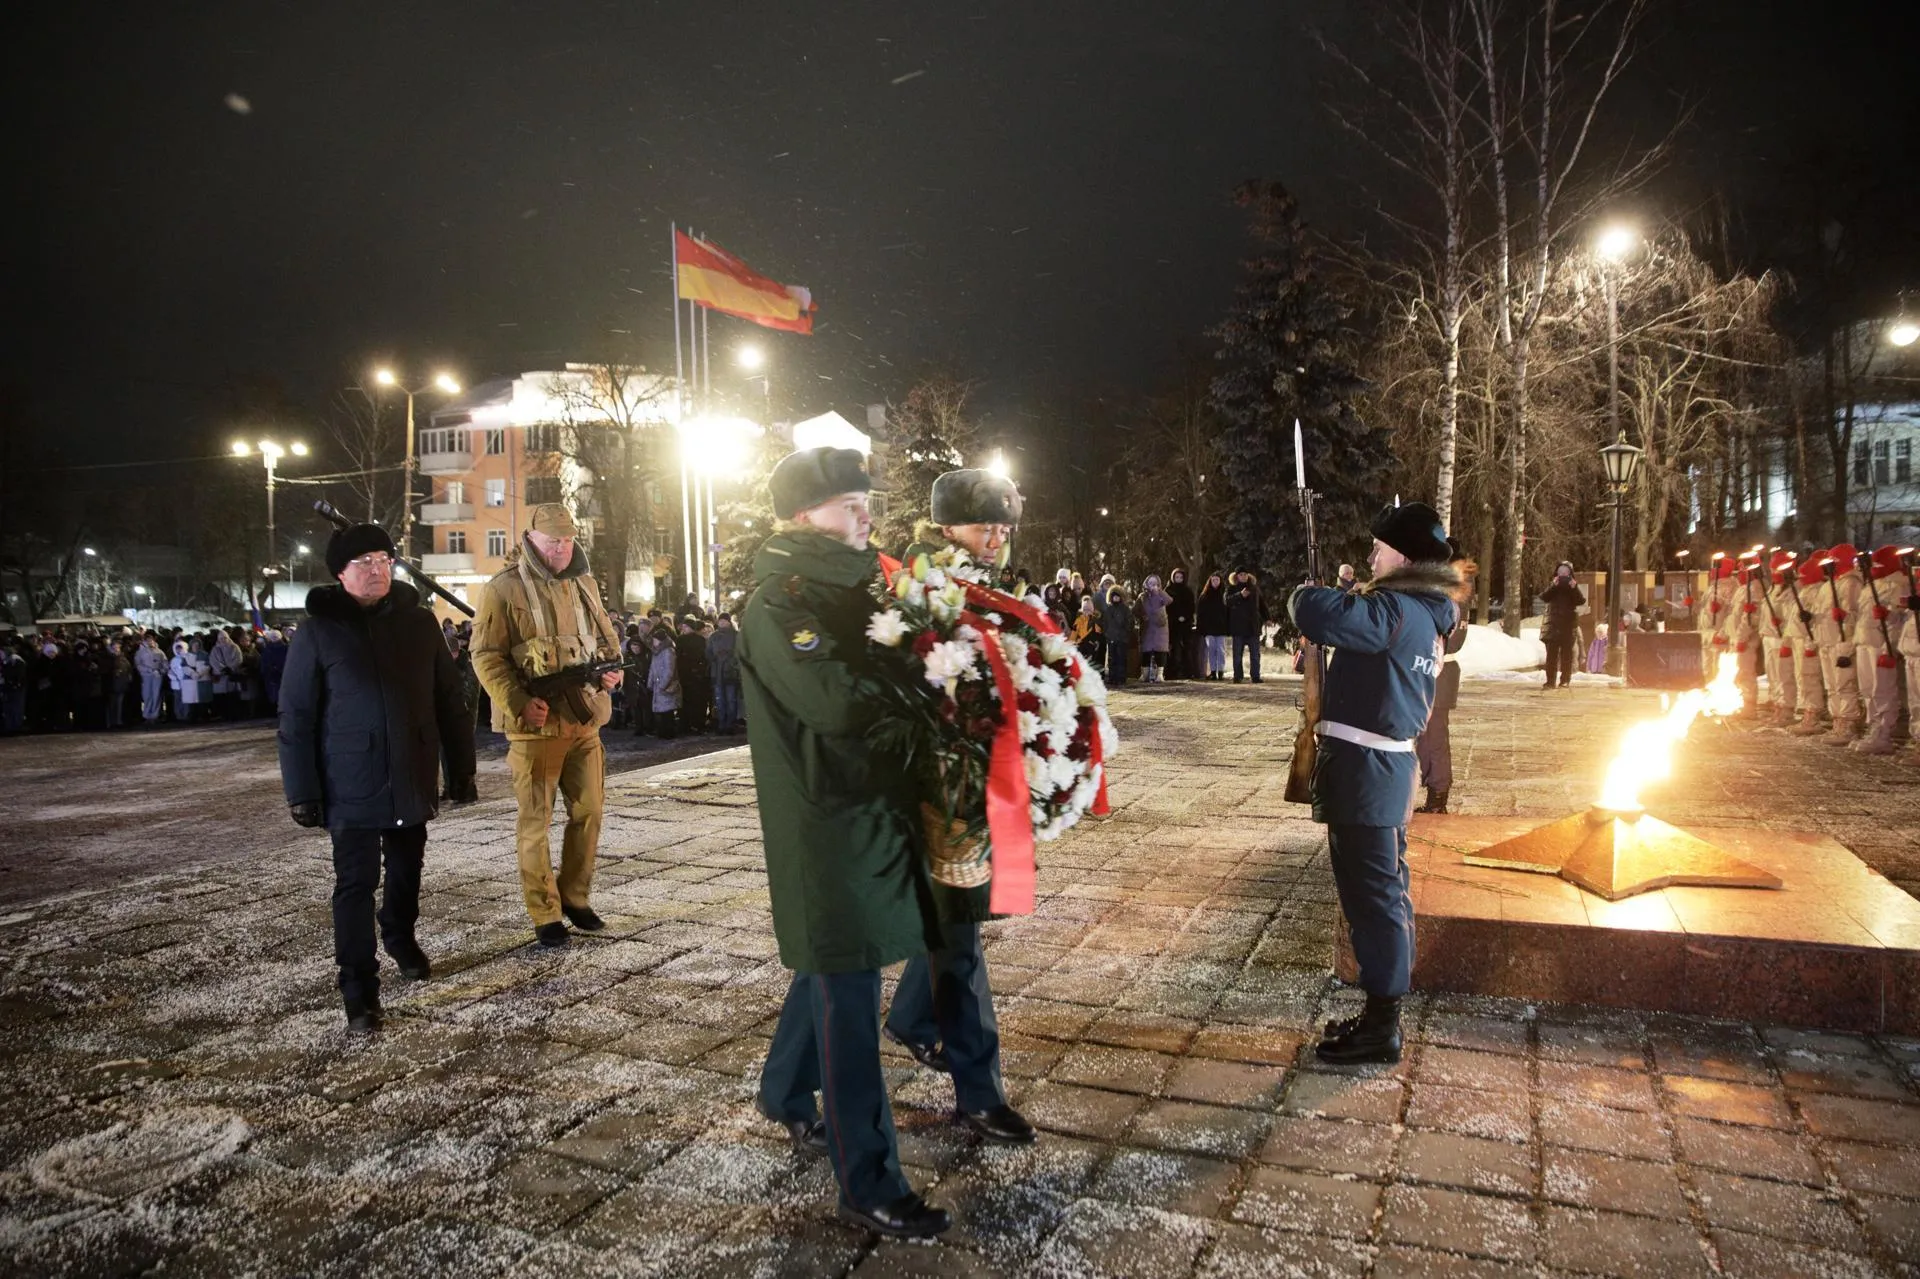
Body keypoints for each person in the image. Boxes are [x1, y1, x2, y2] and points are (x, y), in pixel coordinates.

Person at [741, 446, 950, 1239]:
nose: (866, 512)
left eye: (866, 500)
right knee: (849, 990)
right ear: (802, 516)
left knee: (837, 968)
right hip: (822, 819)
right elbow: (829, 698)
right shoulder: (779, 601)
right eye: (848, 503)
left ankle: (786, 1091)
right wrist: (926, 677)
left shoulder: (863, 585)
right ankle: (867, 1178)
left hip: (870, 806)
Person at [882, 467, 1035, 1150]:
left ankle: (913, 1021)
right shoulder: (922, 587)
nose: (998, 534)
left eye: (1004, 523)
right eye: (984, 524)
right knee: (960, 940)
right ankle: (981, 1092)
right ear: (947, 525)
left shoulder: (981, 581)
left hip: (974, 785)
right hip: (935, 792)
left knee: (950, 928)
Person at [277, 523, 477, 1031]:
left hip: (410, 771)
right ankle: (359, 988)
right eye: (363, 561)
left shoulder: (419, 624)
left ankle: (400, 936)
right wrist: (302, 791)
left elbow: (450, 702)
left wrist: (461, 771)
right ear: (340, 573)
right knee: (355, 884)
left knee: (408, 871)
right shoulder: (319, 631)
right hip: (349, 781)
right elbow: (296, 715)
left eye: (383, 559)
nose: (375, 569)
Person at [1290, 501, 1466, 1064]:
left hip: (1369, 776)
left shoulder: (1396, 609)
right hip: (1377, 774)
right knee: (1380, 894)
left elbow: (1315, 612)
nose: (1371, 555)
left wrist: (1305, 592)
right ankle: (1378, 1015)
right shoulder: (1422, 612)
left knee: (1376, 900)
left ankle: (1383, 1025)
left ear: (1406, 556)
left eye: (1380, 547)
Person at [471, 503, 625, 949]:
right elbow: (485, 655)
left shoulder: (584, 583)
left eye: (568, 539)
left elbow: (606, 641)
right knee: (535, 822)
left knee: (590, 813)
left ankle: (574, 897)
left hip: (584, 721)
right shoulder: (502, 588)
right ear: (532, 541)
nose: (561, 548)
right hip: (535, 728)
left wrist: (613, 672)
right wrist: (519, 701)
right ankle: (545, 912)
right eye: (553, 540)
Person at [1416, 541, 1472, 815]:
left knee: (1434, 737)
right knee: (1426, 736)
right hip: (1438, 671)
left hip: (1439, 671)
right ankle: (1433, 790)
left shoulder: (1450, 595)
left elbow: (1446, 638)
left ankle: (1438, 793)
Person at [1852, 546, 1908, 756]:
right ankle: (1872, 725)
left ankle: (1884, 732)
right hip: (1866, 641)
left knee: (1882, 689)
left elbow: (1902, 619)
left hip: (1881, 644)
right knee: (1868, 688)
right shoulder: (1872, 585)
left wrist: (1889, 647)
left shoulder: (1898, 584)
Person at [1537, 561, 1583, 690]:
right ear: (1557, 573)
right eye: (1560, 572)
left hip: (1568, 626)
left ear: (1570, 574)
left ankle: (1565, 680)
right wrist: (1553, 586)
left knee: (1567, 655)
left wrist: (1574, 588)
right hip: (1553, 625)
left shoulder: (1572, 588)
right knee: (1551, 655)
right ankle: (1550, 681)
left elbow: (1580, 600)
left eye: (1566, 572)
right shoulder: (1554, 586)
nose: (1563, 575)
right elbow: (1544, 597)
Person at [675, 617, 712, 734]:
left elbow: (702, 656)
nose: (684, 629)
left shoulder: (699, 640)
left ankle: (695, 723)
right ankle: (688, 723)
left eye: (686, 627)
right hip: (686, 674)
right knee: (688, 700)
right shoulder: (681, 639)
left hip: (695, 675)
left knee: (696, 700)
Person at [707, 613, 742, 733]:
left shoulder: (736, 635)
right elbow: (708, 652)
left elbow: (739, 652)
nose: (721, 622)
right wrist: (715, 658)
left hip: (730, 672)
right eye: (720, 620)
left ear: (728, 622)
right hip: (717, 672)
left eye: (724, 620)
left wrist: (730, 660)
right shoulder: (713, 636)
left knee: (731, 699)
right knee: (719, 700)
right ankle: (721, 723)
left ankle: (730, 724)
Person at [1228, 570, 1264, 683]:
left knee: (1255, 655)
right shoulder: (1231, 588)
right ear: (1236, 576)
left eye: (1245, 574)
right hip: (1238, 627)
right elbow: (1226, 601)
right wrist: (1240, 595)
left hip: (1252, 627)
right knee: (1237, 654)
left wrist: (1267, 618)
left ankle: (1255, 676)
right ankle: (1238, 676)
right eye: (1240, 575)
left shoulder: (1254, 588)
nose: (1243, 576)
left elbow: (1262, 604)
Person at [1137, 574, 1172, 684]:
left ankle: (1160, 674)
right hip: (1147, 627)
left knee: (1160, 651)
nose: (1153, 586)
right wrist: (1142, 615)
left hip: (1159, 627)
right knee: (1146, 651)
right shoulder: (1142, 596)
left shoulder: (1161, 595)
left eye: (1155, 584)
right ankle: (1145, 674)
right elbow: (1135, 610)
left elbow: (1169, 600)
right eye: (1151, 583)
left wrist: (1159, 592)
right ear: (1146, 584)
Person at [646, 628, 681, 737]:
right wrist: (650, 682)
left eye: (655, 639)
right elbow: (652, 668)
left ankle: (668, 732)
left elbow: (669, 670)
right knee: (661, 711)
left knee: (667, 712)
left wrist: (663, 685)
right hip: (658, 685)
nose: (654, 641)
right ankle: (662, 731)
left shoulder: (668, 651)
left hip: (665, 685)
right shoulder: (656, 651)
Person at [1197, 572, 1230, 680]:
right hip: (1209, 627)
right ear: (1210, 582)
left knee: (1220, 650)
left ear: (1220, 581)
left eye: (1217, 580)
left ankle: (1220, 671)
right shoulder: (1204, 596)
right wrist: (1201, 627)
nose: (1215, 582)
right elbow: (1200, 613)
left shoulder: (1224, 595)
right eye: (1213, 580)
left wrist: (1228, 626)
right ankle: (1212, 671)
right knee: (1211, 650)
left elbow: (1228, 612)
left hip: (1221, 627)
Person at [1100, 581, 1133, 687]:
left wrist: (1125, 633)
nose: (1116, 598)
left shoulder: (1125, 609)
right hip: (1111, 638)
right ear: (1110, 597)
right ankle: (1112, 677)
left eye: (1118, 596)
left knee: (1121, 658)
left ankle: (1121, 677)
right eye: (1114, 596)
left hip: (1122, 638)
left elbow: (1130, 622)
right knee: (1111, 658)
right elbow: (1105, 623)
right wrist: (1107, 633)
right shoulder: (1108, 610)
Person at [1165, 568, 1196, 680]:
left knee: (1187, 648)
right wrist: (1175, 617)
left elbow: (1191, 606)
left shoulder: (1187, 591)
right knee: (1174, 648)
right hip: (1173, 624)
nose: (1178, 579)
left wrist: (1185, 616)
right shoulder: (1168, 590)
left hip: (1185, 624)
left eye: (1180, 577)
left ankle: (1188, 671)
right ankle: (1173, 672)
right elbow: (1166, 607)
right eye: (1176, 577)